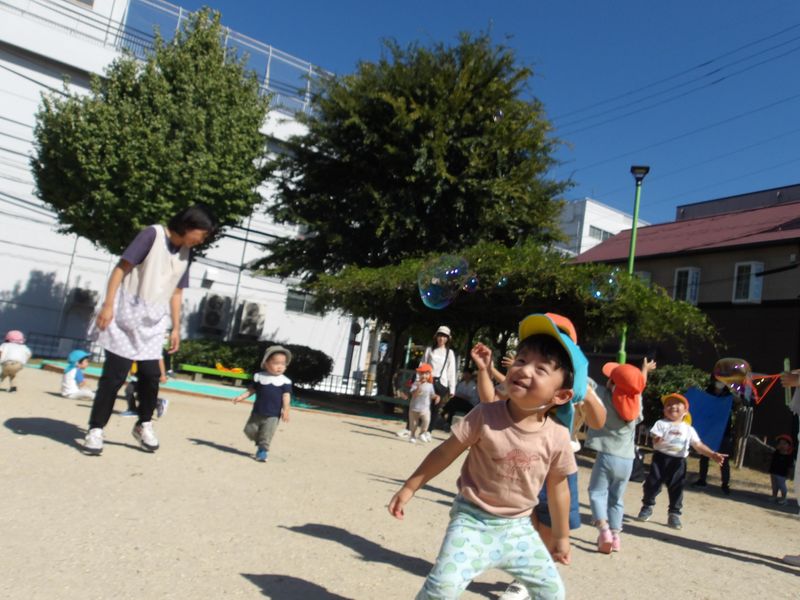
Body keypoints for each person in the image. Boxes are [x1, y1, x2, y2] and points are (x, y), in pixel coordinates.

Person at [388, 313, 587, 600]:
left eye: (541, 369)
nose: (524, 369)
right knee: (442, 588)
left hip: (519, 529)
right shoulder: (485, 415)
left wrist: (561, 536)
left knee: (552, 592)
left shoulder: (557, 436)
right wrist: (410, 487)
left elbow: (559, 489)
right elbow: (444, 452)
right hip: (472, 520)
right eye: (521, 360)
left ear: (561, 396)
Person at [83, 205, 217, 455]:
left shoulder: (186, 253)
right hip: (125, 315)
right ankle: (96, 429)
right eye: (202, 234)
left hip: (153, 322)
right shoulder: (152, 235)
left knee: (151, 376)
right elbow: (121, 268)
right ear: (188, 226)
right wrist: (108, 304)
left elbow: (177, 292)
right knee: (114, 377)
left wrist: (176, 327)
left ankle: (143, 423)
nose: (202, 240)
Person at [585, 359, 654, 554]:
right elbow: (638, 388)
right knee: (616, 498)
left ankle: (604, 531)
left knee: (597, 493)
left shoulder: (603, 395)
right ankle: (615, 536)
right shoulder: (636, 403)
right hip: (627, 460)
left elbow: (584, 381)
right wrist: (644, 371)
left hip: (607, 456)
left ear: (611, 383)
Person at [636, 393, 726, 530]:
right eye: (668, 404)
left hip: (678, 462)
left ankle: (674, 514)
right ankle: (647, 506)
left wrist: (712, 454)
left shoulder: (688, 429)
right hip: (660, 459)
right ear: (664, 410)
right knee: (652, 484)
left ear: (685, 411)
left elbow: (698, 445)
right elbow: (655, 438)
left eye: (677, 404)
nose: (672, 406)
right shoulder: (661, 424)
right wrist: (657, 439)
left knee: (677, 488)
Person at [232, 345, 293, 462]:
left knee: (267, 434)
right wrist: (241, 397)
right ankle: (260, 442)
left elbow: (286, 396)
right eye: (276, 363)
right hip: (257, 411)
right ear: (266, 364)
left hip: (273, 415)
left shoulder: (285, 381)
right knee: (249, 430)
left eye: (283, 363)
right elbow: (251, 390)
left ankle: (262, 450)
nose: (280, 366)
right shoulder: (260, 377)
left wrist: (286, 410)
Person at [692, 376, 734, 494]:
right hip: (708, 430)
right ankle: (702, 479)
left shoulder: (728, 396)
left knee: (724, 458)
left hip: (724, 431)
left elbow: (741, 403)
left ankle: (725, 483)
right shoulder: (708, 393)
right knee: (704, 456)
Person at [400, 363, 440, 443]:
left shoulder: (430, 385)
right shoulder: (415, 384)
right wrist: (418, 387)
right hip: (414, 408)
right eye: (422, 374)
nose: (424, 376)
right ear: (419, 374)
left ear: (429, 375)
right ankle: (412, 436)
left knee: (426, 421)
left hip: (425, 409)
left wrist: (437, 397)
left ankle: (422, 433)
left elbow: (431, 395)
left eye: (426, 374)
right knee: (413, 424)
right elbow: (414, 394)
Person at [769, 434, 794, 505]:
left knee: (782, 486)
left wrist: (789, 474)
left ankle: (784, 498)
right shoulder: (776, 453)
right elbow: (772, 460)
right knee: (774, 485)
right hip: (773, 472)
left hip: (782, 474)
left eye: (784, 444)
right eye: (780, 443)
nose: (782, 445)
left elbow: (790, 467)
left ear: (789, 446)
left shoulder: (789, 456)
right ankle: (774, 496)